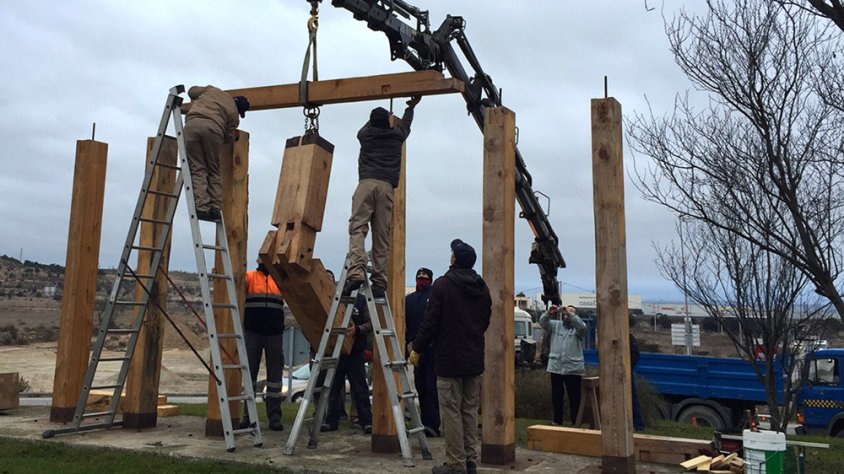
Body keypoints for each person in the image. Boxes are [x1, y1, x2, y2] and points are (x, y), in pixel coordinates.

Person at [410, 239, 491, 474]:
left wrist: (417, 348)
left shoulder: (443, 285)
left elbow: (430, 323)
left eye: (452, 254)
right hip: (473, 360)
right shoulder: (482, 287)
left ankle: (456, 464)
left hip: (449, 360)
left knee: (452, 413)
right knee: (469, 411)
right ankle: (470, 461)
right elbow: (484, 321)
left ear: (455, 259)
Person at [343, 96, 421, 297]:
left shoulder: (364, 135)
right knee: (381, 234)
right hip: (386, 187)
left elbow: (365, 127)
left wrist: (379, 117)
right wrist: (411, 107)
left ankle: (356, 272)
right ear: (387, 122)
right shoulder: (397, 136)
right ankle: (379, 281)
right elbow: (406, 124)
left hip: (366, 183)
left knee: (358, 228)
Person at [185, 85, 250, 221]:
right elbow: (227, 137)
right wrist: (234, 137)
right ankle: (214, 209)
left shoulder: (212, 90)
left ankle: (201, 208)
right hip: (213, 130)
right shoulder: (234, 115)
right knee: (213, 170)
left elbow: (191, 91)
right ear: (239, 109)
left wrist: (199, 101)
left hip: (191, 126)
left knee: (197, 168)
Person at [240, 257, 285, 431]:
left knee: (275, 379)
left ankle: (274, 417)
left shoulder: (279, 279)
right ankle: (248, 416)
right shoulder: (250, 277)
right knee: (249, 375)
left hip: (274, 333)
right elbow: (237, 283)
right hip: (253, 332)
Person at [320, 292, 374, 434]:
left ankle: (367, 422)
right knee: (333, 388)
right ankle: (331, 421)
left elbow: (370, 323)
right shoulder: (335, 297)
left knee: (360, 388)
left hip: (355, 352)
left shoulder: (361, 300)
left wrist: (358, 329)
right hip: (337, 351)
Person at [405, 267, 440, 437]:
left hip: (432, 348)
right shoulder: (409, 299)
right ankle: (424, 422)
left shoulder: (434, 297)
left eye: (424, 277)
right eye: (419, 277)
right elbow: (407, 324)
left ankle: (432, 423)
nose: (421, 279)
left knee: (431, 387)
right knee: (420, 385)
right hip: (416, 349)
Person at [540, 304, 586, 427]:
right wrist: (549, 312)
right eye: (565, 312)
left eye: (571, 312)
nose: (567, 314)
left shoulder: (579, 329)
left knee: (574, 397)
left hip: (573, 369)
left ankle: (575, 422)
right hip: (556, 367)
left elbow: (582, 327)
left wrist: (570, 314)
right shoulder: (555, 325)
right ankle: (557, 420)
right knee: (556, 396)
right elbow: (542, 322)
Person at [630, 333, 645, 432]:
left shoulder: (628, 338)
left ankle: (638, 425)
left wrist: (628, 368)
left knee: (633, 399)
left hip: (625, 373)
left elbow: (635, 353)